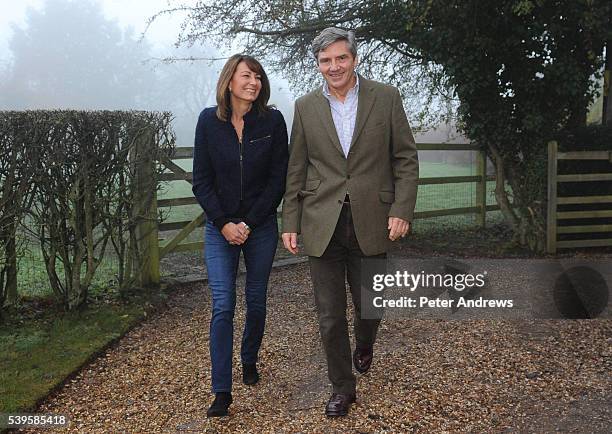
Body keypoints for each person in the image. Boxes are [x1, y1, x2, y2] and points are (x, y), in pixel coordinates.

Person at [281, 28, 419, 417]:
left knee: (370, 304)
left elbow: (405, 158)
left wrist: (401, 209)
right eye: (326, 60)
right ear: (318, 64)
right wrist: (290, 220)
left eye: (340, 58)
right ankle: (343, 386)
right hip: (320, 222)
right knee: (329, 315)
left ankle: (365, 341)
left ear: (354, 59)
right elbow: (297, 168)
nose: (334, 66)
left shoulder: (386, 97)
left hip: (373, 218)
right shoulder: (305, 106)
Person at [192, 54, 289, 417]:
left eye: (258, 77)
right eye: (247, 76)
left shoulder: (272, 121)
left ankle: (249, 359)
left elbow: (278, 179)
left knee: (256, 299)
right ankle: (221, 391)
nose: (254, 82)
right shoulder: (208, 121)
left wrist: (248, 222)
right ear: (229, 81)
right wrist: (223, 223)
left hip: (260, 226)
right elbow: (201, 179)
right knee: (222, 304)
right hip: (220, 228)